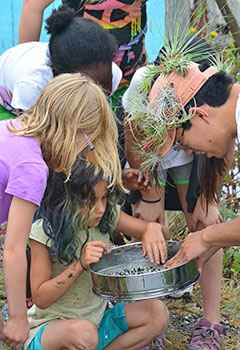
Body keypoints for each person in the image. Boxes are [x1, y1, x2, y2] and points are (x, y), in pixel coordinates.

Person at [122, 30, 232, 347]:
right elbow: (134, 143)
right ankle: (148, 315)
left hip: (195, 150)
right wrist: (149, 195)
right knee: (148, 221)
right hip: (153, 153)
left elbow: (223, 147)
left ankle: (211, 322)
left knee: (205, 220)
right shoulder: (144, 86)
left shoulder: (220, 99)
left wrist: (206, 198)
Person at [0, 72, 122, 349]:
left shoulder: (10, 130)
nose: (87, 149)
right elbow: (14, 250)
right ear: (75, 131)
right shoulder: (32, 167)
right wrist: (18, 317)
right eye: (89, 140)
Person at [25, 158, 169, 350]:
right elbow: (41, 299)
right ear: (68, 199)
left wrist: (152, 229)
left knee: (157, 312)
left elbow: (164, 235)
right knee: (85, 334)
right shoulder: (44, 231)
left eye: (103, 198)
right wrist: (79, 265)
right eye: (90, 201)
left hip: (97, 322)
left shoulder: (105, 216)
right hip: (53, 329)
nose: (100, 208)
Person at [0, 4, 122, 119]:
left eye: (105, 87)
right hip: (9, 107)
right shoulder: (32, 86)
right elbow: (28, 130)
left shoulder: (112, 73)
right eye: (88, 87)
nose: (98, 95)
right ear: (56, 75)